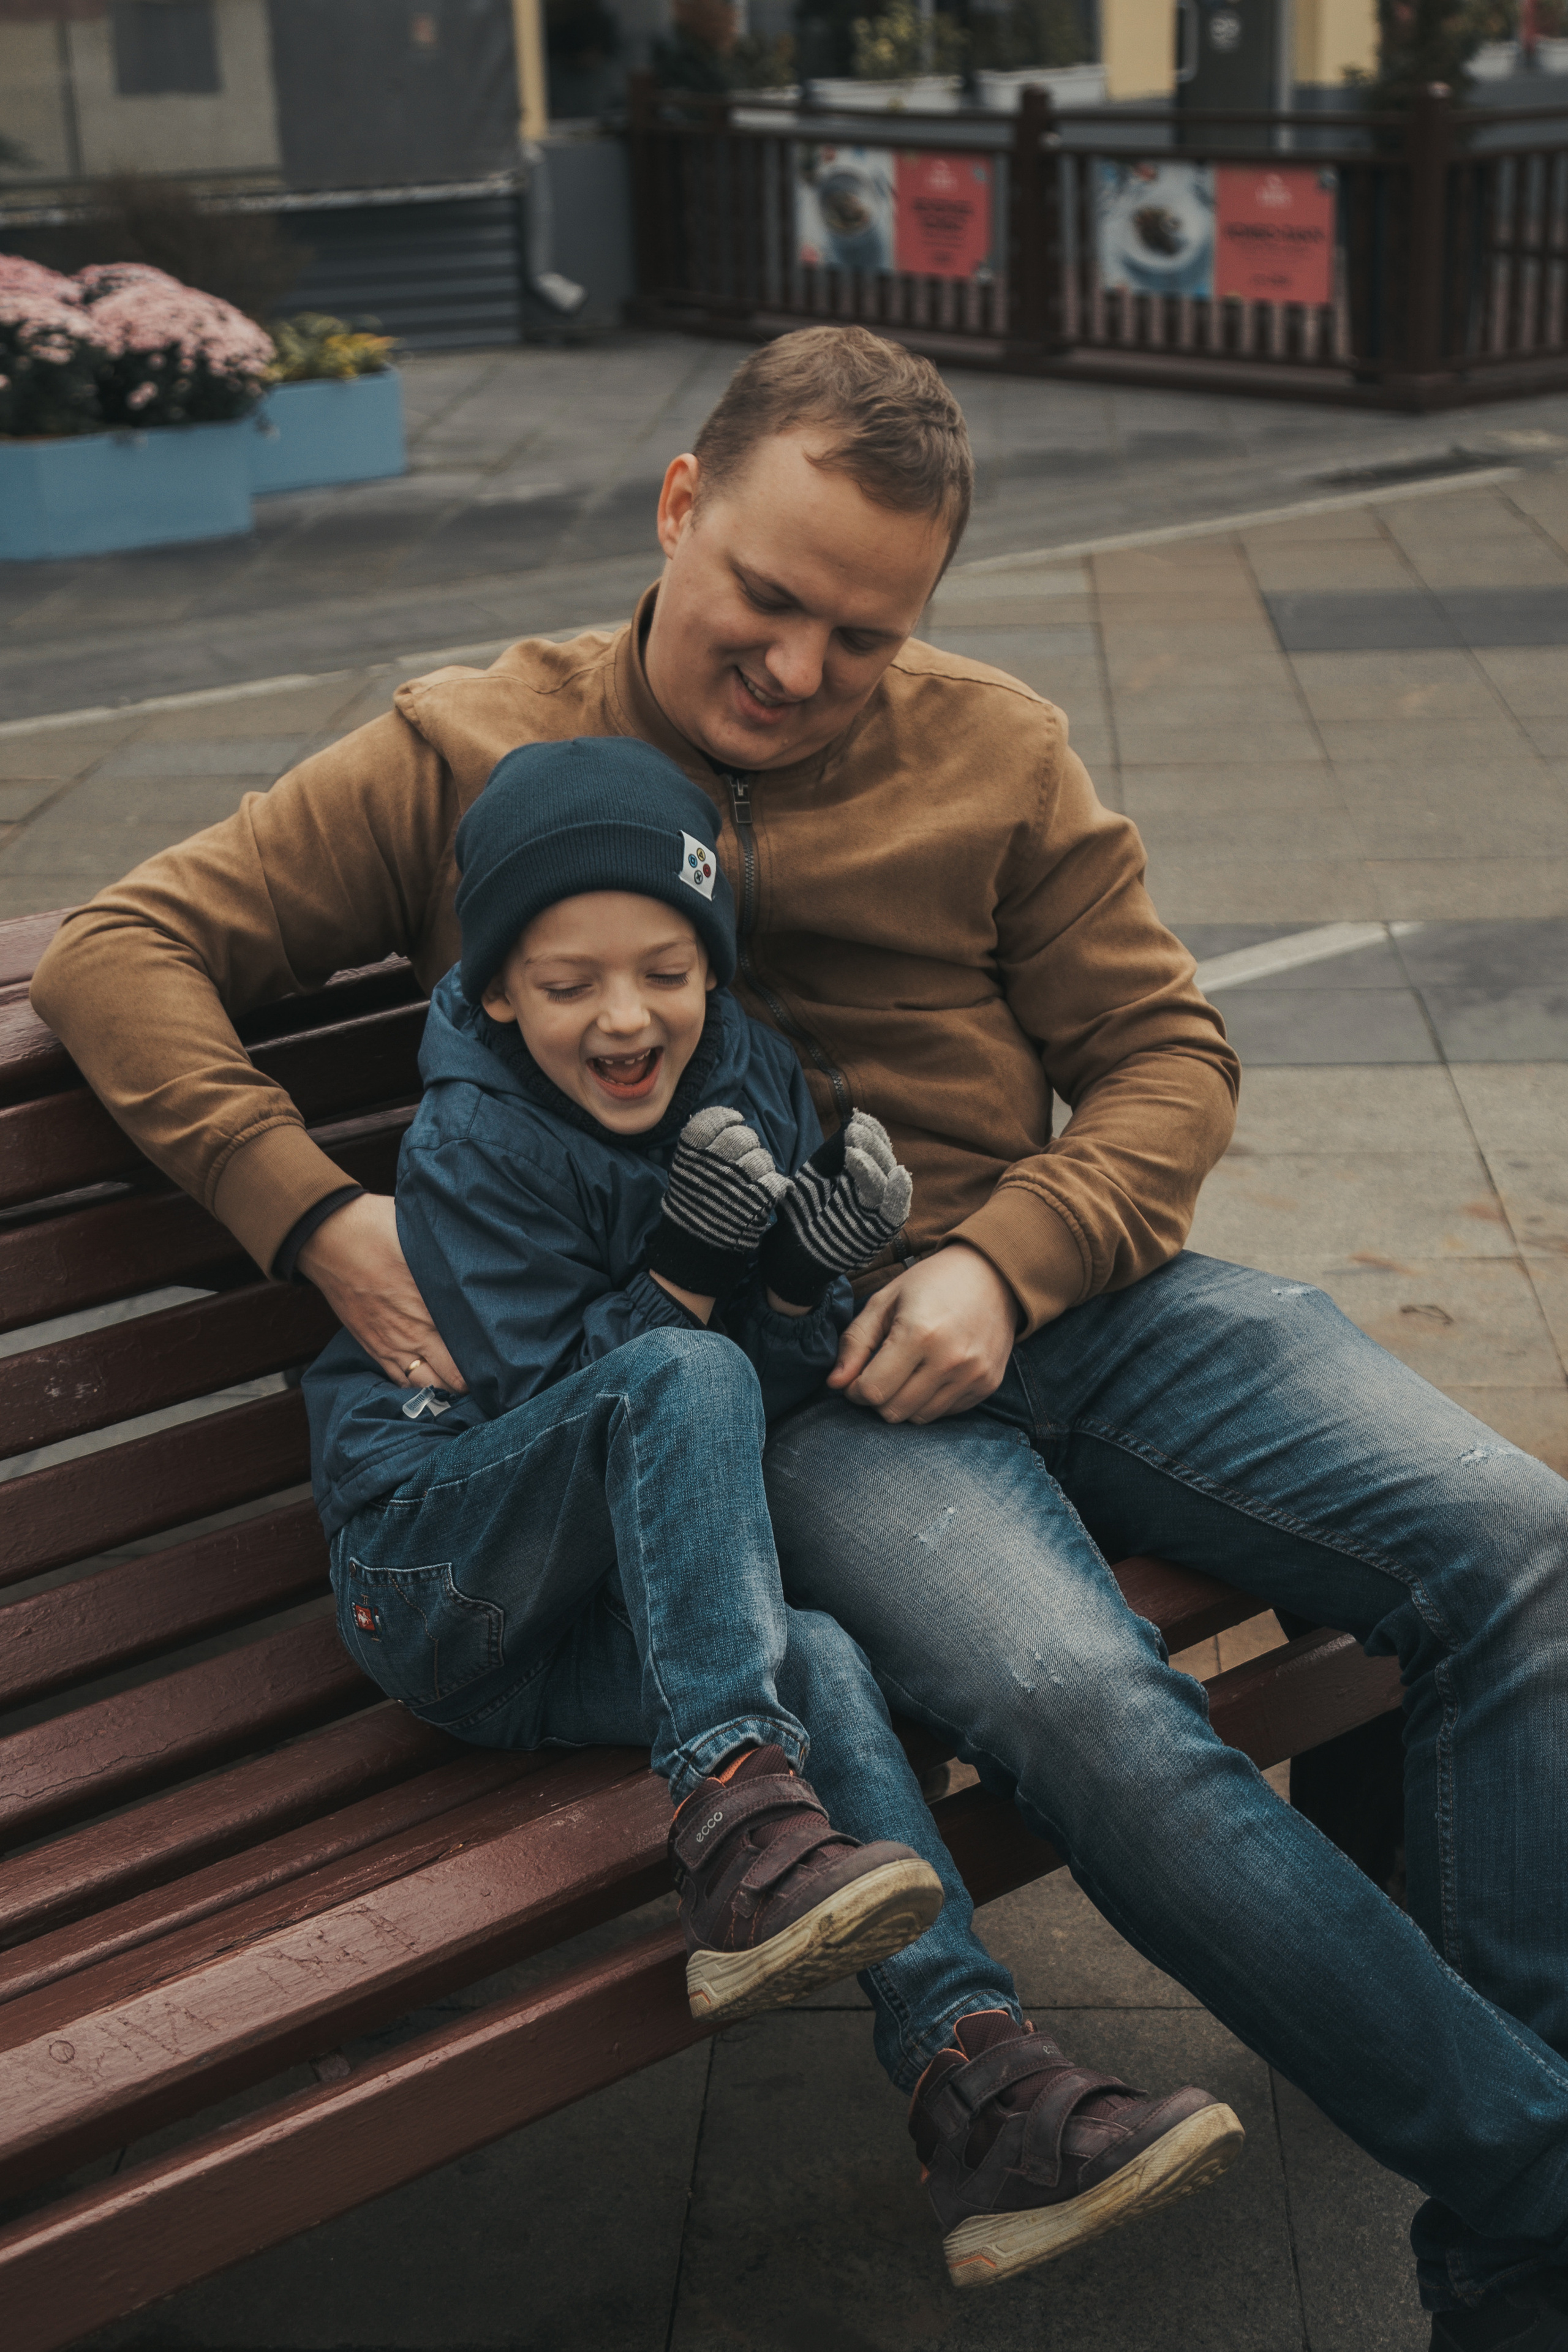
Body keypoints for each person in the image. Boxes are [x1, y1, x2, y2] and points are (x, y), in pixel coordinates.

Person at [29, 323, 1568, 2343]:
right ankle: (1537, 2204)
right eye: (766, 595)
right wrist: (310, 1213)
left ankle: (1511, 2226)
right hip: (807, 1393)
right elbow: (120, 950)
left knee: (1518, 1539)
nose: (800, 668)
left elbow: (1165, 1056)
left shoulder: (995, 748)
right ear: (679, 506)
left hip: (1071, 1300)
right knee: (1087, 1703)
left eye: (865, 634)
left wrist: (1009, 1260)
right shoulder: (469, 749)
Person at [303, 733, 958, 2029]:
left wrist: (792, 1287)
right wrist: (691, 1273)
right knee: (681, 1369)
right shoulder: (471, 1143)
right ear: (501, 993)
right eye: (569, 984)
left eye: (666, 972)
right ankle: (736, 1822)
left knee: (814, 1658)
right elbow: (579, 1407)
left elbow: (722, 1431)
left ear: (710, 967)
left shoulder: (748, 1074)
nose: (624, 1017)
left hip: (596, 1614)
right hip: (432, 1580)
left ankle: (974, 2062)